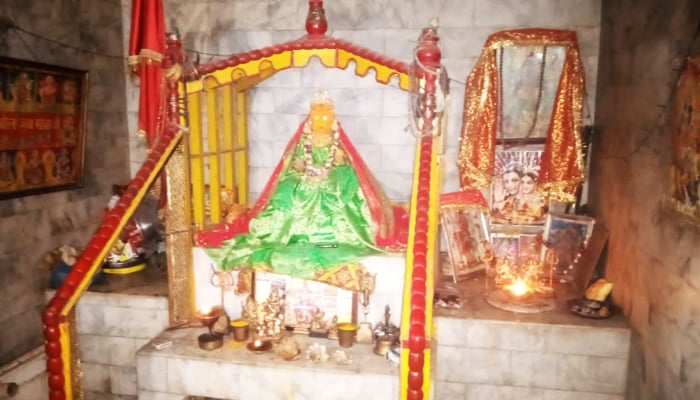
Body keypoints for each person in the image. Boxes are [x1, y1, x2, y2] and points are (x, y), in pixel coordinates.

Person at [200, 91, 408, 280]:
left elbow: (344, 166)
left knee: (333, 190)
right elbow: (295, 164)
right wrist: (303, 171)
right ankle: (293, 239)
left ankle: (328, 241)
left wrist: (331, 172)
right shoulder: (305, 140)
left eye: (324, 115)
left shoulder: (336, 140)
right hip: (306, 181)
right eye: (317, 115)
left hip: (329, 183)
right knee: (290, 191)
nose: (320, 121)